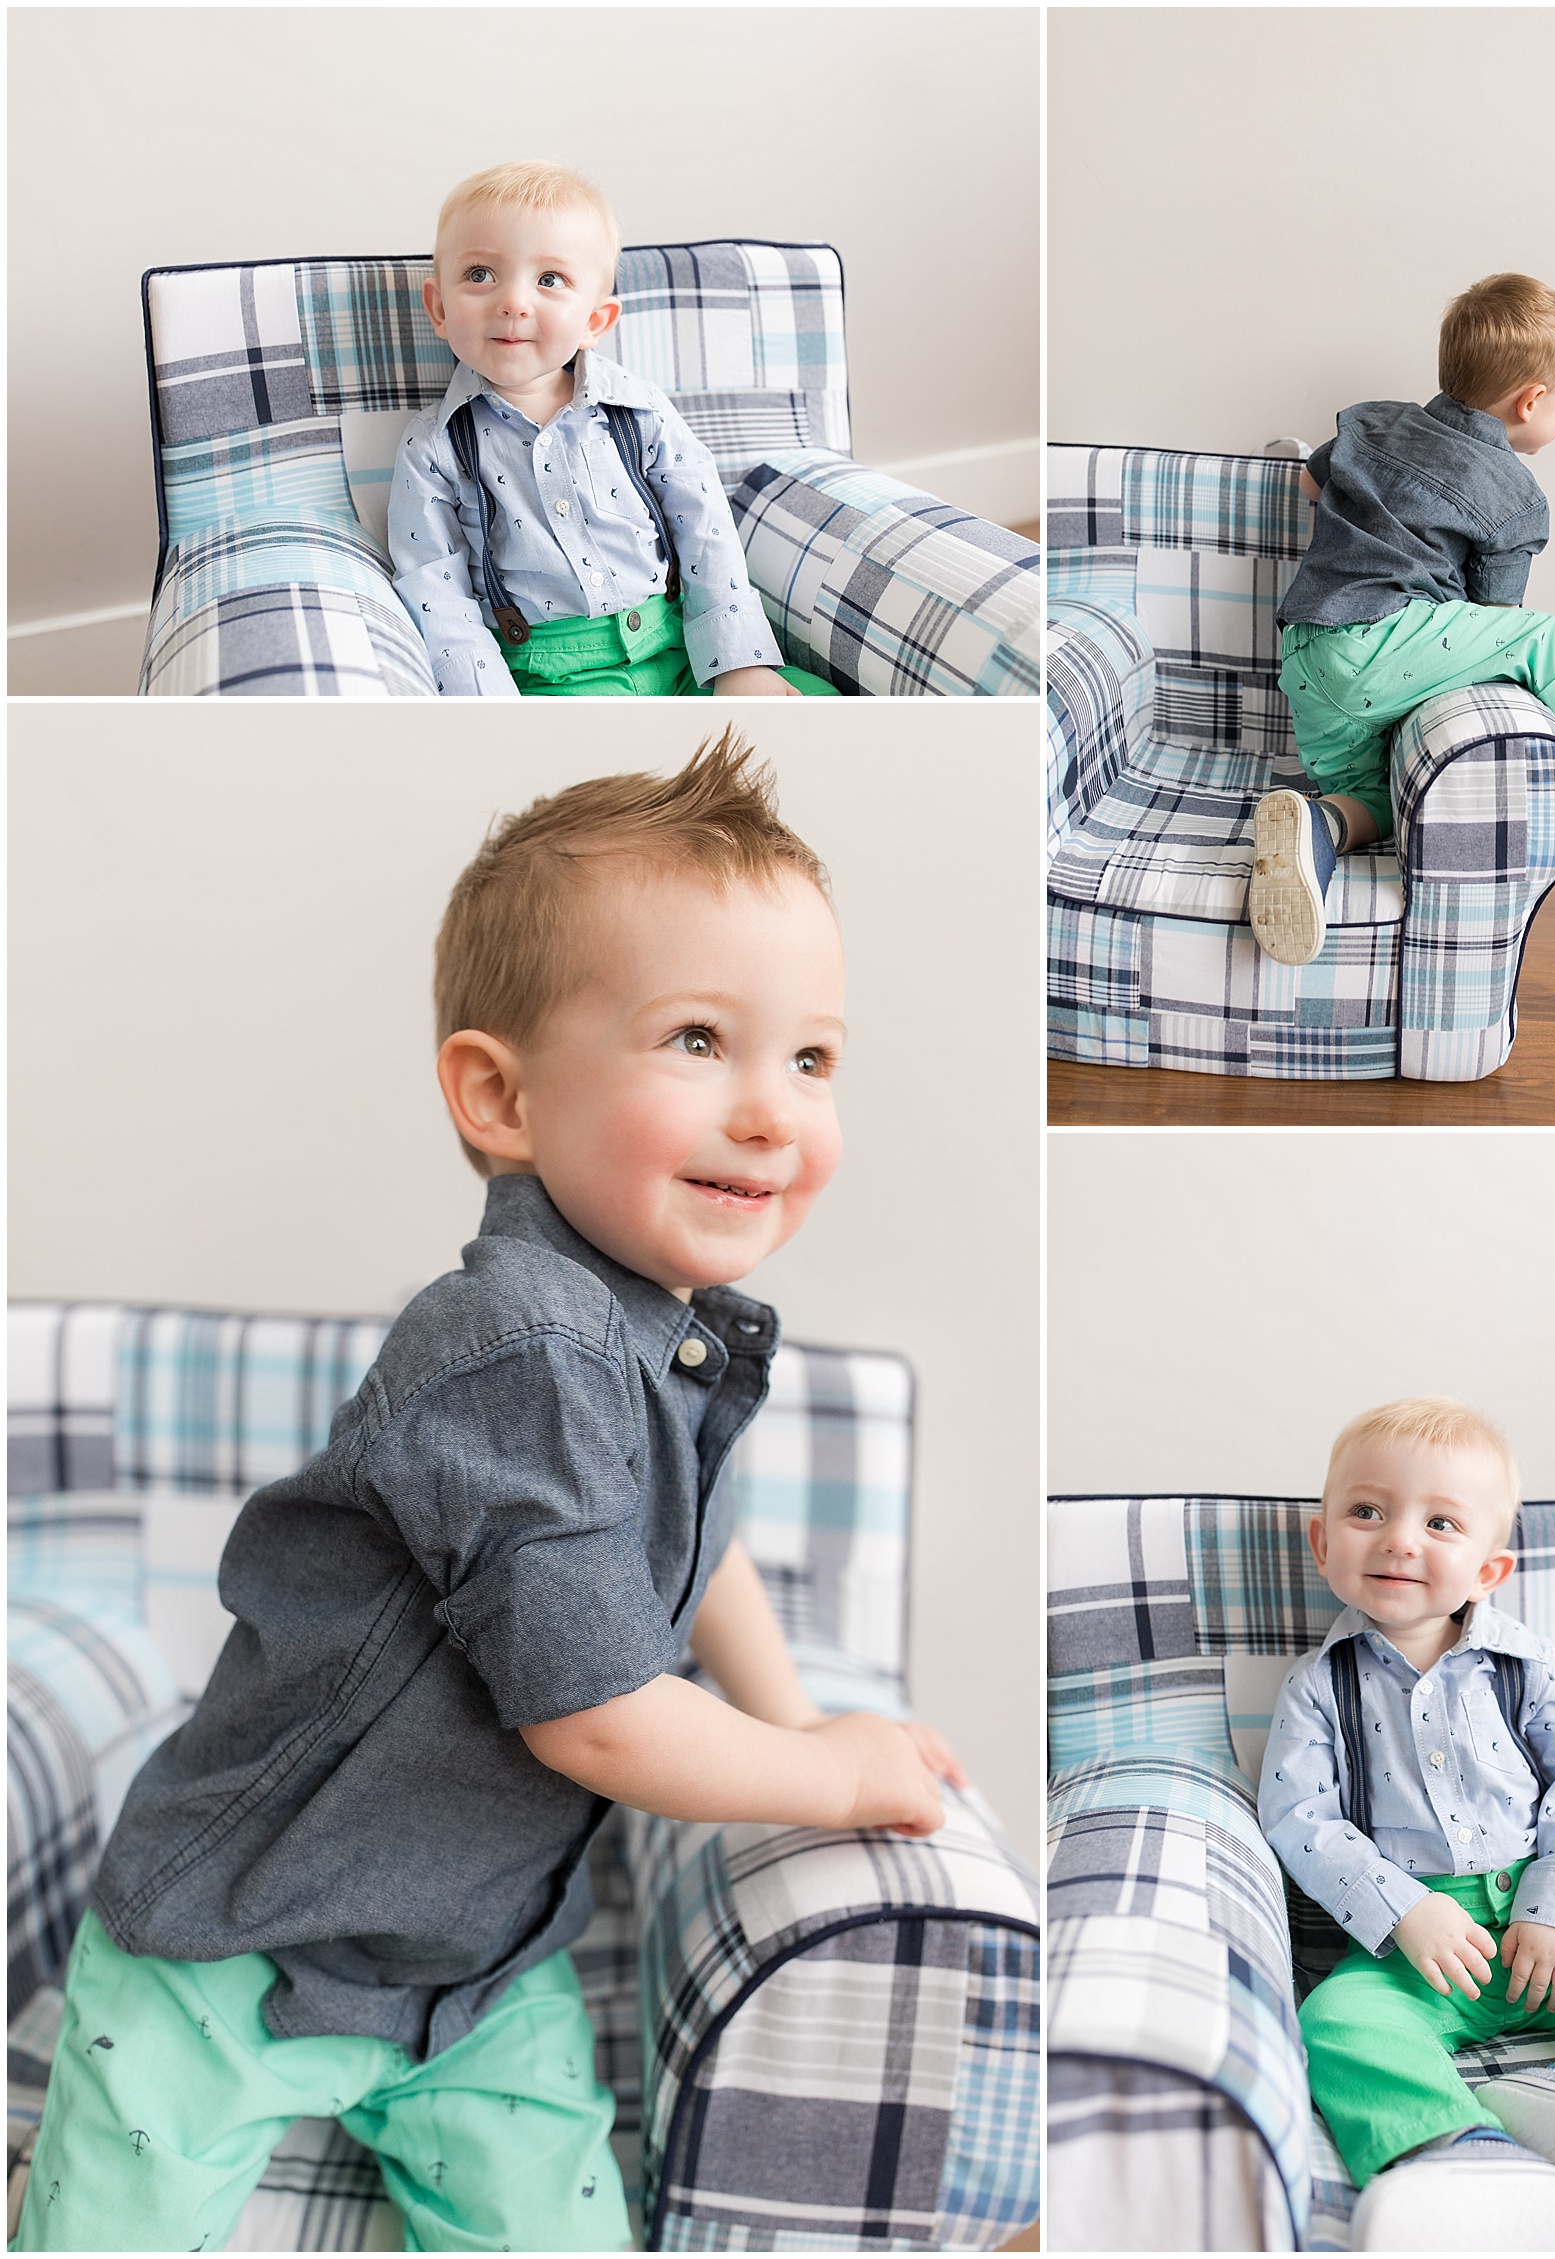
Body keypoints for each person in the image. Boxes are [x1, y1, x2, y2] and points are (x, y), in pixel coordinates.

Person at [13, 734, 959, 2253]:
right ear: (499, 1097)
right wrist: (828, 1779)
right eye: (701, 1039)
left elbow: (699, 1554)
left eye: (814, 1056)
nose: (774, 1109)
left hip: (472, 1963)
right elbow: (591, 1710)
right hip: (236, 1941)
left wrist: (790, 1712)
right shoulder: (513, 1346)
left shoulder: (668, 1334)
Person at [1259, 1397, 1555, 2253]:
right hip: (1416, 1953)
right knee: (1334, 2022)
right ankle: (1459, 2150)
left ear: (1487, 1569)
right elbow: (1299, 1818)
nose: (1401, 1538)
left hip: (1546, 1941)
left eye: (1440, 1521)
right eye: (1368, 1511)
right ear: (1323, 1543)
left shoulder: (1525, 1666)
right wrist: (1402, 1906)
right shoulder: (1316, 1688)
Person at [1249, 273, 1555, 967]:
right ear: (1532, 401)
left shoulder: (1371, 421)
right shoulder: (1516, 497)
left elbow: (1311, 481)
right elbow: (1496, 618)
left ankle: (1317, 825)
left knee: (1378, 801)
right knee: (1539, 639)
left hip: (1306, 656)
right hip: (1373, 645)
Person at [389, 161, 838, 700]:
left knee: (810, 706)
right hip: (551, 675)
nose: (513, 301)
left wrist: (739, 664)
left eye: (549, 280)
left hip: (681, 650)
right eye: (480, 274)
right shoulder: (434, 448)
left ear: (594, 323)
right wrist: (490, 707)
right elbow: (436, 591)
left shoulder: (640, 411)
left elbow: (706, 531)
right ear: (439, 309)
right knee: (603, 766)